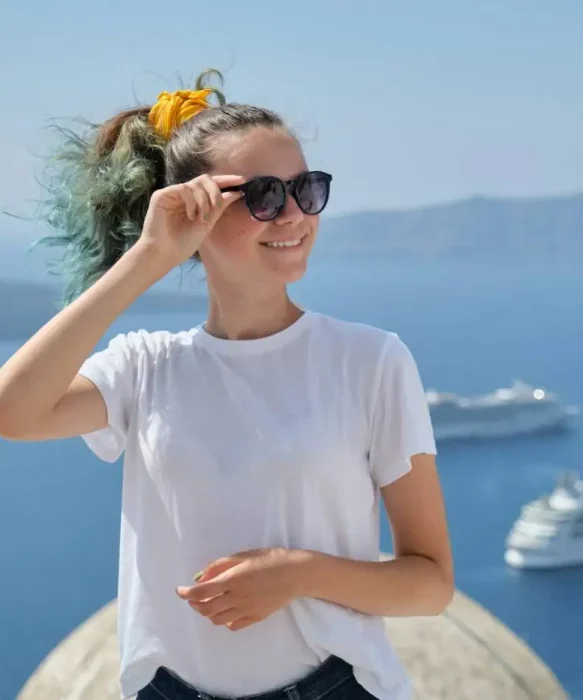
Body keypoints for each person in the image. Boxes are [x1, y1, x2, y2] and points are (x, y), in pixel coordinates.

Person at [0, 69, 453, 700]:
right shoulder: (145, 366)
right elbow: (12, 411)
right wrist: (148, 259)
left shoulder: (371, 360)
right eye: (264, 195)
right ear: (194, 212)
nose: (293, 213)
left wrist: (296, 574)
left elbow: (430, 583)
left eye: (306, 188)